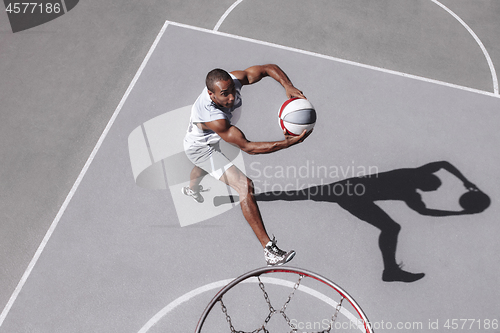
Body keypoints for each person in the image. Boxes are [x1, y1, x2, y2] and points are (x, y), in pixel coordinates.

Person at [182, 64, 311, 266]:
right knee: (245, 186)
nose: (231, 98)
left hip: (208, 140)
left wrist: (287, 85)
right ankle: (269, 251)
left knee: (203, 168)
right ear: (211, 94)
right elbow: (248, 148)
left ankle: (192, 189)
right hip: (200, 148)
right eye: (224, 94)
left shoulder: (233, 81)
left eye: (232, 91)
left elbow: (268, 68)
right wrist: (287, 143)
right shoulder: (214, 118)